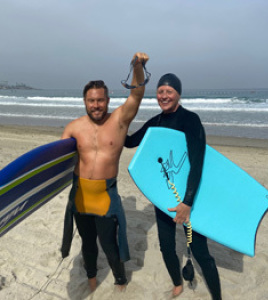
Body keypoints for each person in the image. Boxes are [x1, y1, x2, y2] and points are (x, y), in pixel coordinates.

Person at [125, 73, 222, 299]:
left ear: (178, 94)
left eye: (169, 91)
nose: (164, 95)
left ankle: (217, 297)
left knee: (201, 252)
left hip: (189, 197)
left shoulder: (191, 120)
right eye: (160, 91)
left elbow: (197, 164)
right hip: (164, 196)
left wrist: (187, 202)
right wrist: (121, 120)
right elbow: (130, 142)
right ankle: (177, 284)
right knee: (166, 247)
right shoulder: (156, 123)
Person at [60, 52, 149, 292]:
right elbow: (58, 165)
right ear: (84, 102)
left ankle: (120, 278)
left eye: (100, 100)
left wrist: (137, 66)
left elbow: (137, 93)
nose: (96, 105)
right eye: (91, 101)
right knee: (88, 243)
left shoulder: (120, 120)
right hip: (80, 196)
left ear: (108, 100)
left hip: (105, 197)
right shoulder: (73, 128)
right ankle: (91, 276)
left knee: (110, 245)